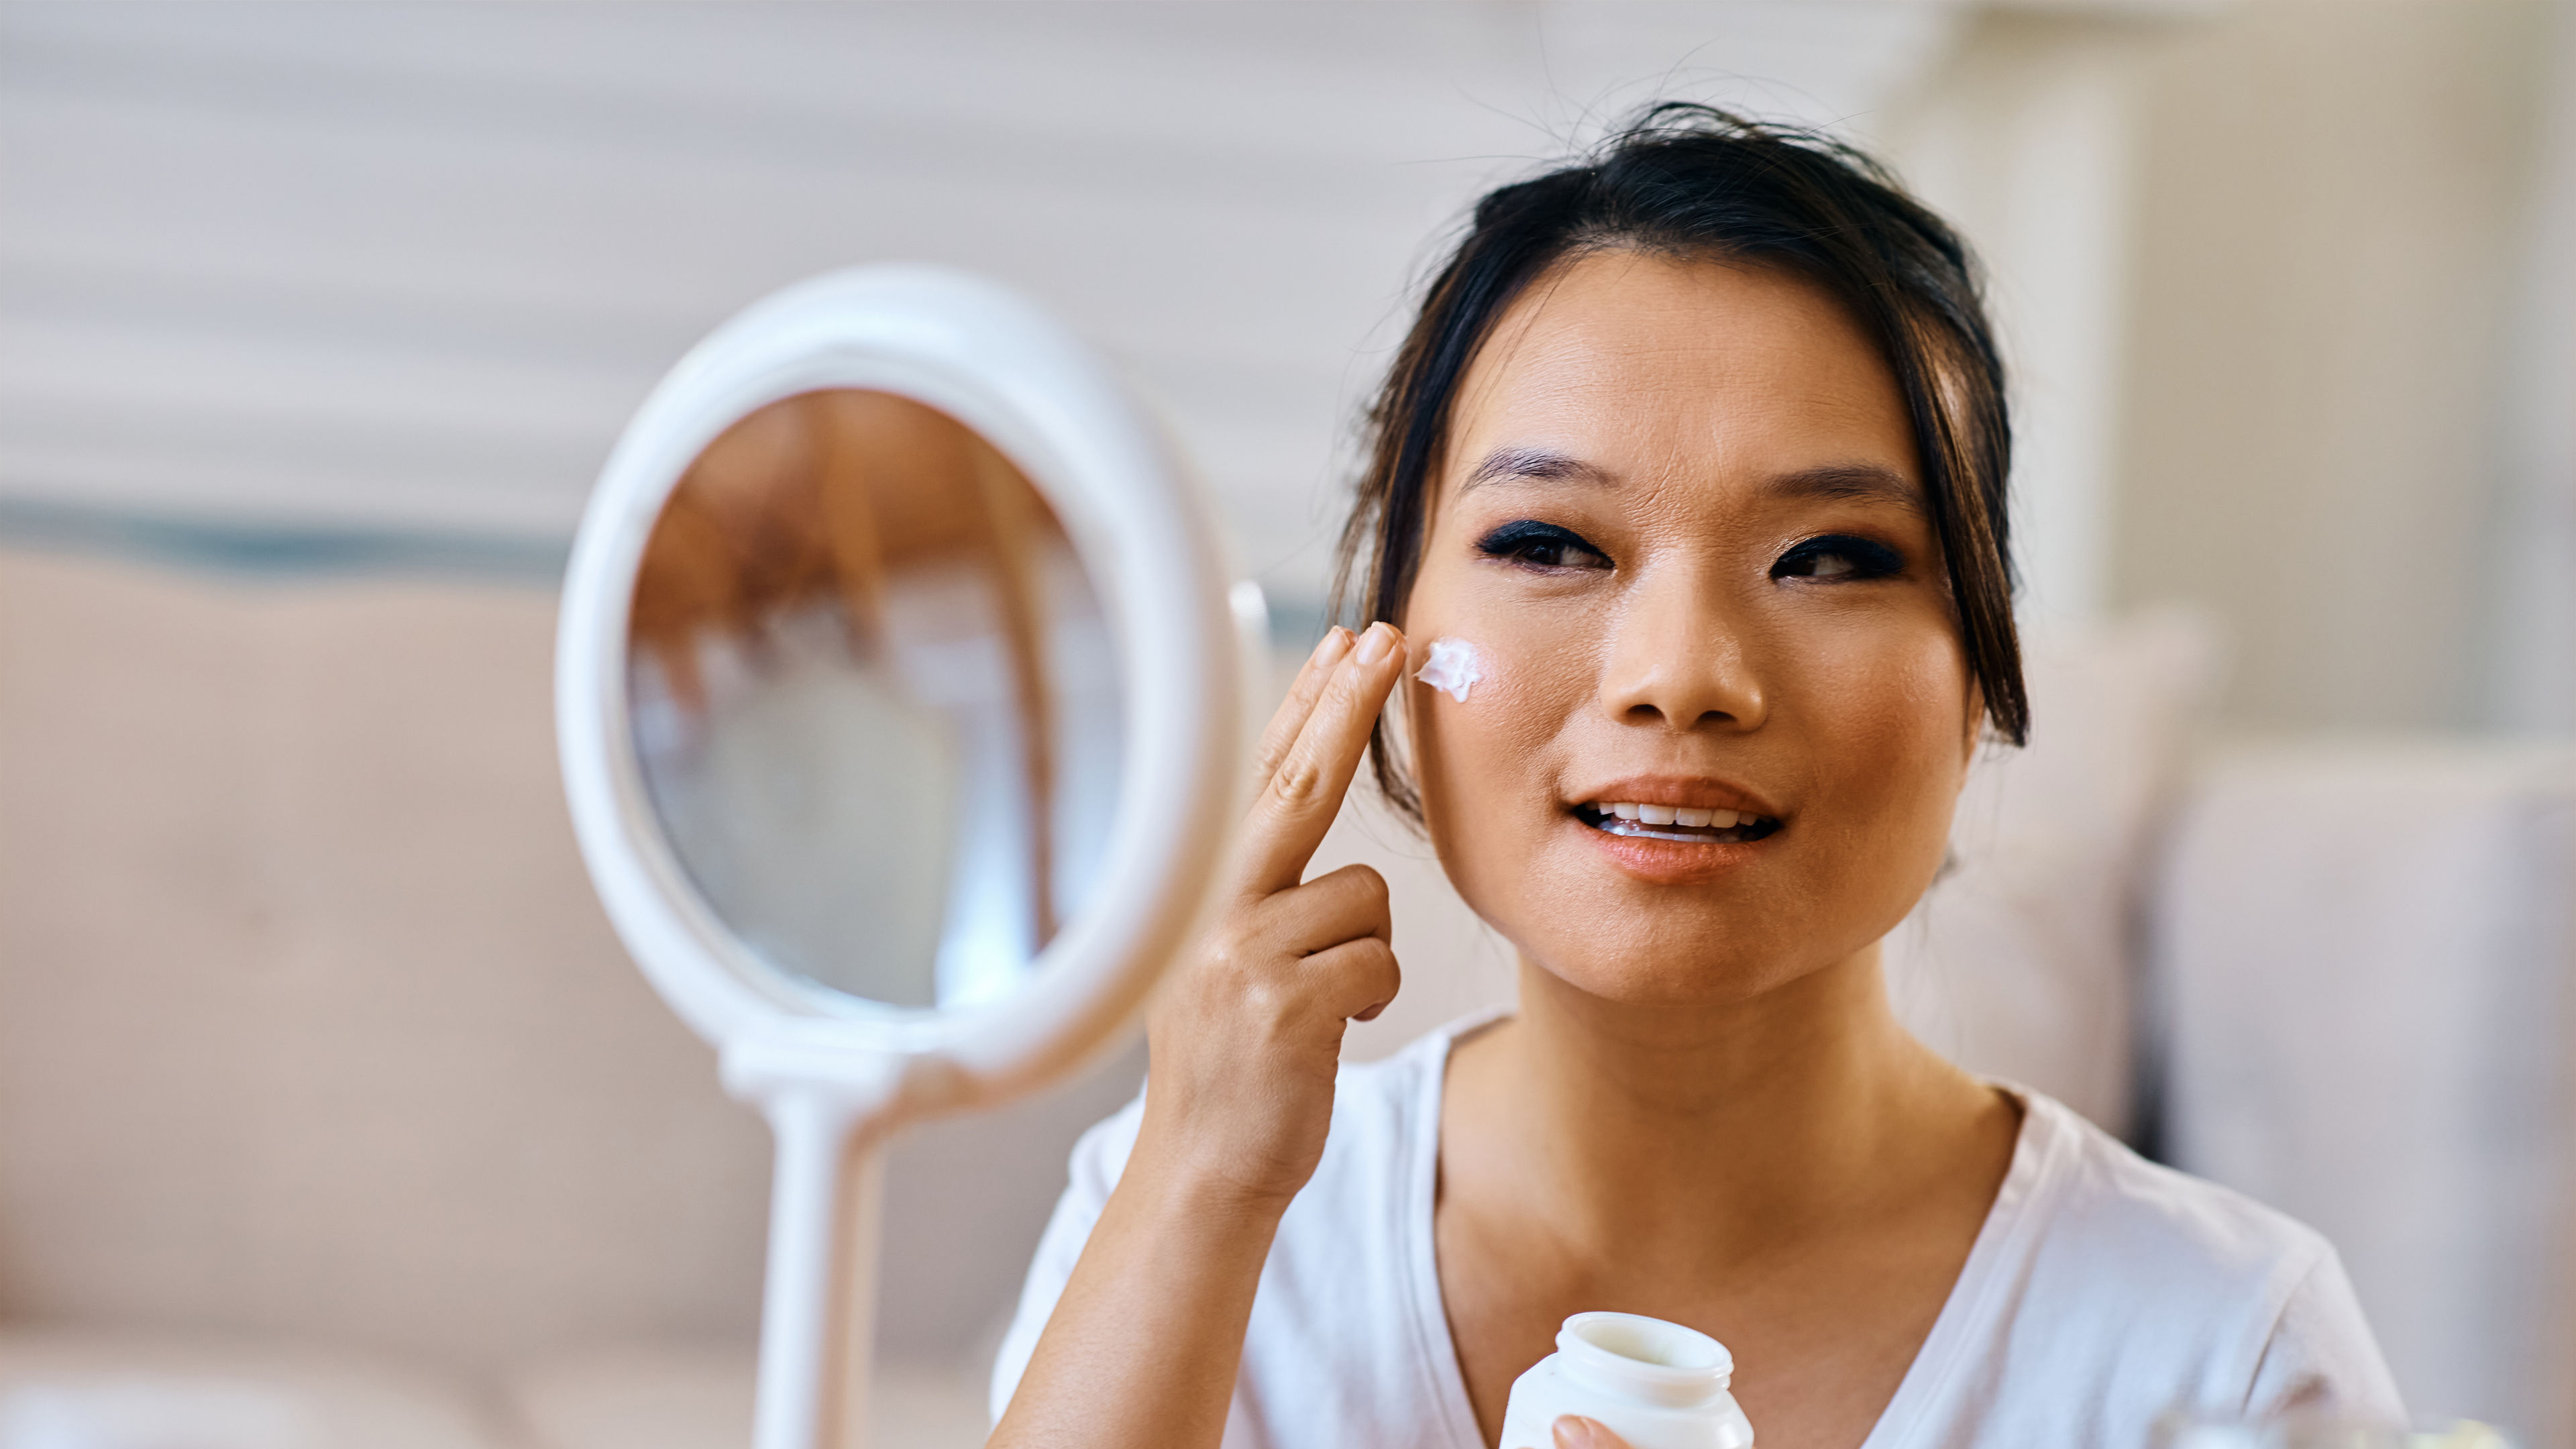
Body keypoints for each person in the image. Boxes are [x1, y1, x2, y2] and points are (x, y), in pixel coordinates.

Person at [985, 105, 2403, 1449]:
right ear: (1392, 631)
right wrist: (1202, 1177)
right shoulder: (1182, 1208)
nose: (1682, 675)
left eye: (1832, 558)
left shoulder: (2228, 1352)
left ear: (1978, 667)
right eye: (1550, 543)